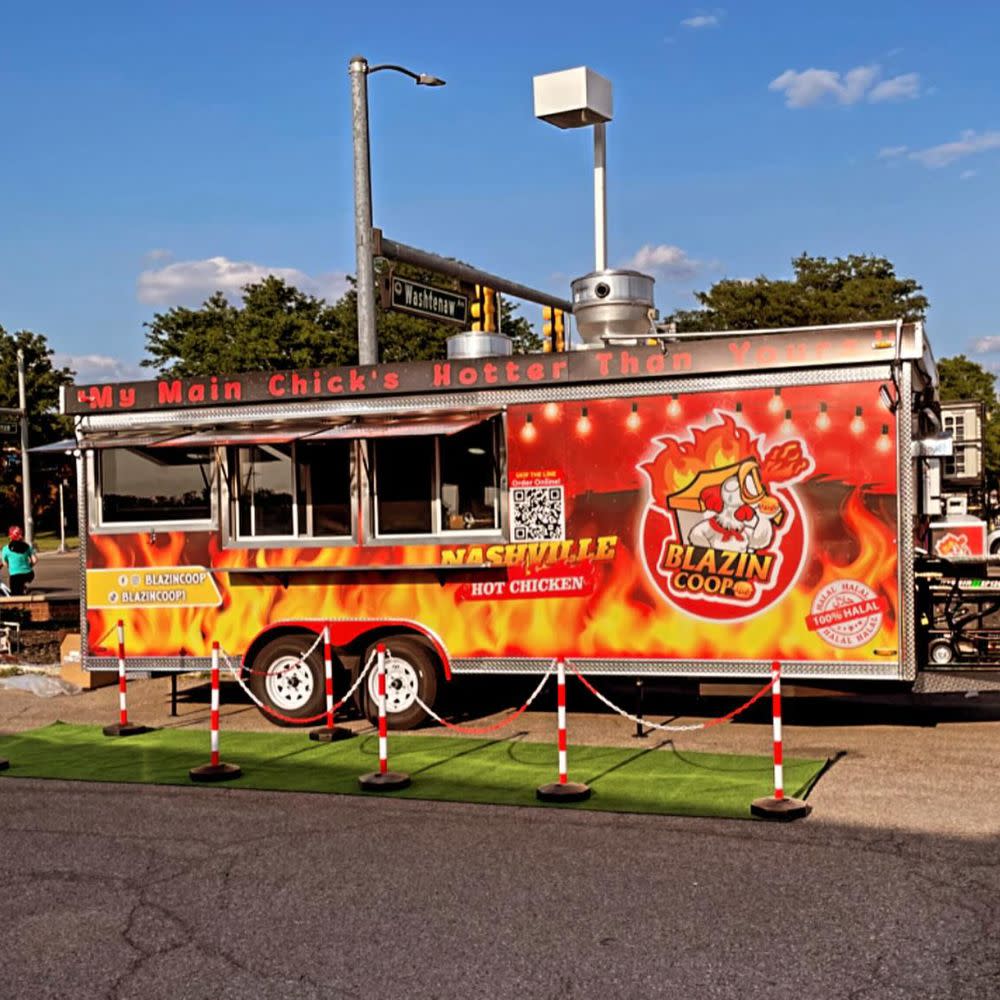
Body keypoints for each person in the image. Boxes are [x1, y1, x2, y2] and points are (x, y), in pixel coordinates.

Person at [2, 526, 37, 596]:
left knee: (15, 595)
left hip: (15, 575)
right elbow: (35, 560)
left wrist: (10, 567)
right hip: (29, 574)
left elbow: (4, 563)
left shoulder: (5, 549)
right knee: (21, 582)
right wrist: (29, 566)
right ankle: (23, 587)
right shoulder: (27, 547)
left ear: (10, 536)